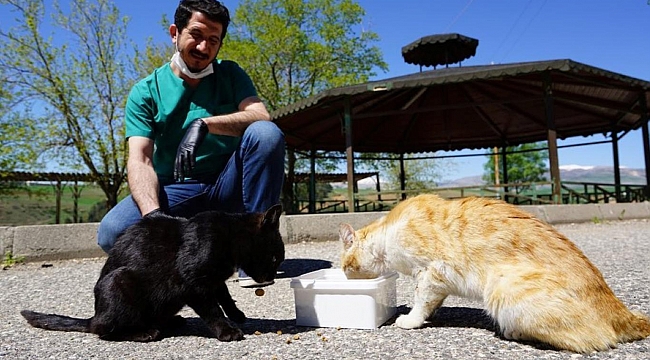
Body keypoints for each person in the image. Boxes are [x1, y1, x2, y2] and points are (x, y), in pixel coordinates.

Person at [97, 0, 285, 287]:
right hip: (177, 190)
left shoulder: (231, 74)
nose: (202, 47)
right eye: (195, 35)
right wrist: (154, 218)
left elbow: (260, 116)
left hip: (230, 184)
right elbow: (140, 159)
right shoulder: (146, 91)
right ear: (175, 32)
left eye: (213, 40)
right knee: (112, 232)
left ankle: (255, 253)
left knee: (266, 133)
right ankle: (191, 261)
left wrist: (205, 124)